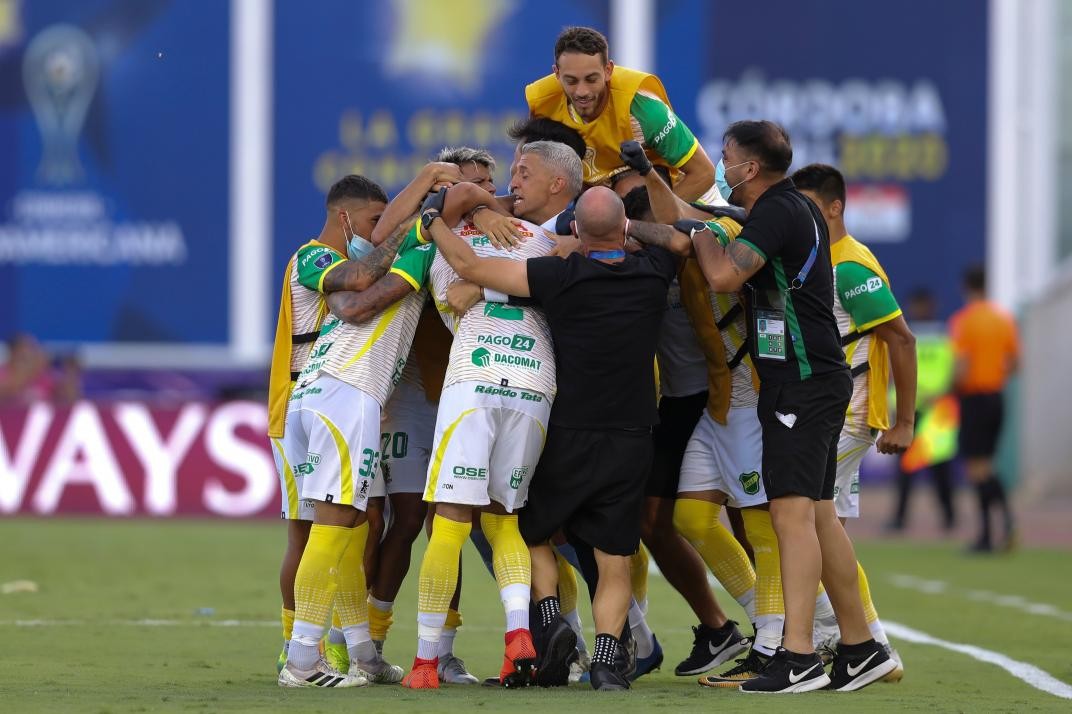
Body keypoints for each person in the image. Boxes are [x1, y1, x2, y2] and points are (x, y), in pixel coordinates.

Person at [655, 120, 895, 692]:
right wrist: (653, 181)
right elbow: (683, 219)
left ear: (750, 167)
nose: (721, 167)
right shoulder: (787, 208)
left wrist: (702, 235)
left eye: (726, 157)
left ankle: (799, 655)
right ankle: (862, 647)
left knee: (790, 519)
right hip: (811, 381)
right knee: (818, 516)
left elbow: (719, 273)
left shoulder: (777, 212)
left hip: (800, 383)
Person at [427, 184, 677, 691]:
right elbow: (680, 239)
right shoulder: (654, 271)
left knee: (529, 533)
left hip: (568, 431)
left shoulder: (559, 276)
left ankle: (549, 619)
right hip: (631, 435)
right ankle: (606, 662)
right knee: (613, 559)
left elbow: (469, 266)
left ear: (577, 230)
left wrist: (432, 220)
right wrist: (631, 230)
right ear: (624, 229)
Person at [399, 140, 582, 691]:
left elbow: (456, 285)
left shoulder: (434, 243)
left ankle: (426, 662)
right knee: (506, 519)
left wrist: (449, 225)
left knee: (451, 522)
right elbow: (567, 262)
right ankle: (518, 639)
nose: (497, 189)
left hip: (474, 376)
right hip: (534, 382)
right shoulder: (541, 238)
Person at [276, 173, 446, 689]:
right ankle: (300, 658)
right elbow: (355, 294)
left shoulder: (357, 266)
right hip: (339, 396)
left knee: (352, 525)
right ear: (345, 216)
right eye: (374, 219)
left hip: (323, 394)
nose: (378, 230)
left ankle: (362, 653)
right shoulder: (324, 258)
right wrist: (423, 214)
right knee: (325, 527)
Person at [619, 185, 754, 680]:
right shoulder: (639, 269)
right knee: (654, 522)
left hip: (732, 400)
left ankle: (794, 631)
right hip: (677, 404)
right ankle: (721, 628)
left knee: (753, 521)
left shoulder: (711, 257)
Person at [794, 162, 917, 683]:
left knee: (796, 517)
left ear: (835, 207)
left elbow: (902, 339)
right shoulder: (822, 257)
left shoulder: (848, 266)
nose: (799, 216)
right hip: (833, 414)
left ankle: (831, 641)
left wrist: (904, 421)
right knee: (827, 532)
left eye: (808, 206)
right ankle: (870, 647)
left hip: (845, 417)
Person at [525, 26, 714, 200]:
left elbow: (704, 173)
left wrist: (656, 220)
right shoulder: (543, 104)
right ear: (557, 74)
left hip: (658, 196)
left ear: (608, 70)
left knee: (626, 192)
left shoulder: (645, 111)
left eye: (591, 79)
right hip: (593, 199)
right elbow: (525, 171)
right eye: (571, 81)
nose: (582, 91)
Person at [949, 265, 1019, 552]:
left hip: (974, 397)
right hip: (996, 396)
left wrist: (951, 389)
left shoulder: (965, 321)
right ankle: (1004, 525)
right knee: (986, 464)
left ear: (966, 287)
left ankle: (989, 535)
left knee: (977, 468)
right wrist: (996, 375)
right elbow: (1014, 362)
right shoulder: (1003, 319)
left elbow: (962, 366)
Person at [889, 288, 957, 532]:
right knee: (905, 469)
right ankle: (899, 518)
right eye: (917, 306)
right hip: (908, 408)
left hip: (936, 410)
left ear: (931, 306)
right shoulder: (902, 334)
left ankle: (949, 516)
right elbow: (891, 371)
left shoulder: (942, 336)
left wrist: (941, 393)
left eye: (923, 305)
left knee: (940, 467)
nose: (920, 310)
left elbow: (953, 369)